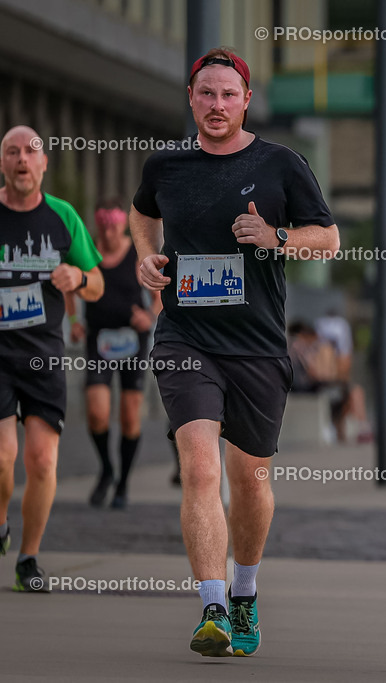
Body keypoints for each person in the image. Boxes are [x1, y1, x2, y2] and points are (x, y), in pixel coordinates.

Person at [130, 48, 339, 656]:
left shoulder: (281, 164)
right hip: (184, 338)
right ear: (191, 99)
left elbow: (326, 240)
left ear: (246, 100)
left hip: (256, 345)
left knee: (249, 478)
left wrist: (275, 238)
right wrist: (148, 254)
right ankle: (213, 608)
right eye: (206, 94)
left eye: (228, 95)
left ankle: (245, 591)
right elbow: (145, 214)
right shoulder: (166, 165)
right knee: (199, 467)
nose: (216, 105)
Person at [0, 125, 105, 590]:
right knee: (4, 457)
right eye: (12, 151)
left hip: (43, 353)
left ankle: (28, 559)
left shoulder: (62, 216)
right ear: (3, 163)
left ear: (44, 165)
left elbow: (97, 281)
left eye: (31, 152)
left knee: (42, 462)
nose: (23, 159)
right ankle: (1, 520)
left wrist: (77, 279)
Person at [67, 198, 161, 509]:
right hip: (99, 340)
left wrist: (148, 317)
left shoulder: (136, 255)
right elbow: (69, 284)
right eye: (103, 226)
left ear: (123, 225)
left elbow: (159, 295)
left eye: (114, 226)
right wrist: (74, 320)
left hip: (132, 340)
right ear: (98, 225)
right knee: (96, 412)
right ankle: (107, 469)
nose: (108, 233)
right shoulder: (89, 252)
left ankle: (122, 483)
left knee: (130, 417)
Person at [315, 310, 373, 443]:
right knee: (354, 393)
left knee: (353, 393)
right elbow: (324, 374)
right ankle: (361, 427)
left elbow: (343, 374)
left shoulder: (338, 353)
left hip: (334, 385)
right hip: (324, 386)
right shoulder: (324, 350)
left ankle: (356, 428)